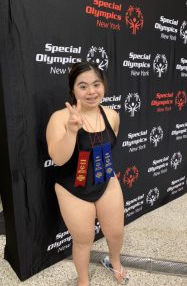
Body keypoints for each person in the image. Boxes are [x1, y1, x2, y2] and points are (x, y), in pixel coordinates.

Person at [46, 62, 129, 286]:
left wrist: (110, 176)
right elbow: (58, 159)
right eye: (83, 86)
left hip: (105, 180)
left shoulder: (112, 115)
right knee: (83, 240)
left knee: (115, 232)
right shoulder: (60, 118)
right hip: (72, 188)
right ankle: (83, 280)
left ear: (103, 86)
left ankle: (115, 262)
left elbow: (108, 148)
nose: (91, 91)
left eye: (96, 84)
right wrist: (72, 131)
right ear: (72, 89)